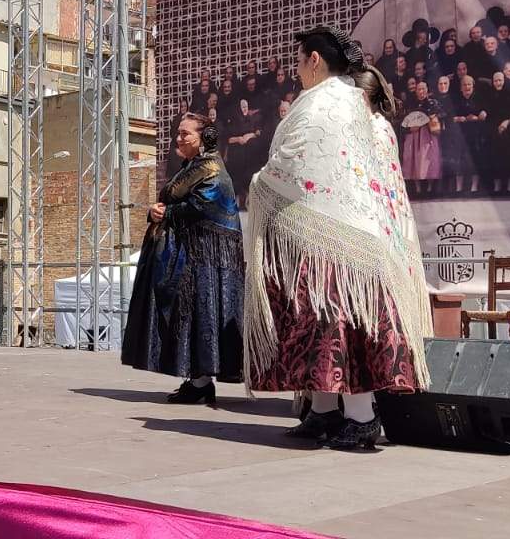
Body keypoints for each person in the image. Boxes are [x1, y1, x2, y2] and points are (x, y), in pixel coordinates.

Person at [245, 27, 431, 450]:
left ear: (314, 59)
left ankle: (362, 417)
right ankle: (324, 411)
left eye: (298, 60)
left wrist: (261, 182)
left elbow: (292, 161)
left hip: (334, 235)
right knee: (317, 322)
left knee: (340, 322)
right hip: (336, 231)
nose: (296, 70)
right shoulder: (347, 100)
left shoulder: (325, 102)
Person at [120, 112, 245, 404]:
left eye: (185, 134)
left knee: (199, 314)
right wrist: (156, 212)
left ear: (204, 138)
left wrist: (168, 212)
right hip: (190, 253)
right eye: (178, 133)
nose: (179, 138)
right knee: (188, 315)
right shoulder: (191, 167)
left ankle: (201, 381)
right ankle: (197, 379)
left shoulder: (212, 168)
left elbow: (205, 205)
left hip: (205, 258)